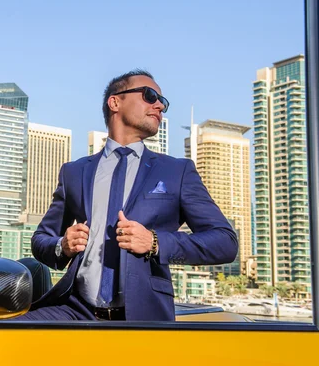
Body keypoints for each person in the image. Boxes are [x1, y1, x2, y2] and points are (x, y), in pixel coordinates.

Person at [20, 70, 238, 322]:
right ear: (115, 102)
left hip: (144, 318)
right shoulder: (74, 172)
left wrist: (155, 242)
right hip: (74, 311)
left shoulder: (177, 171)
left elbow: (225, 242)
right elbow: (41, 239)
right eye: (150, 95)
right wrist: (63, 245)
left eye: (163, 102)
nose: (160, 106)